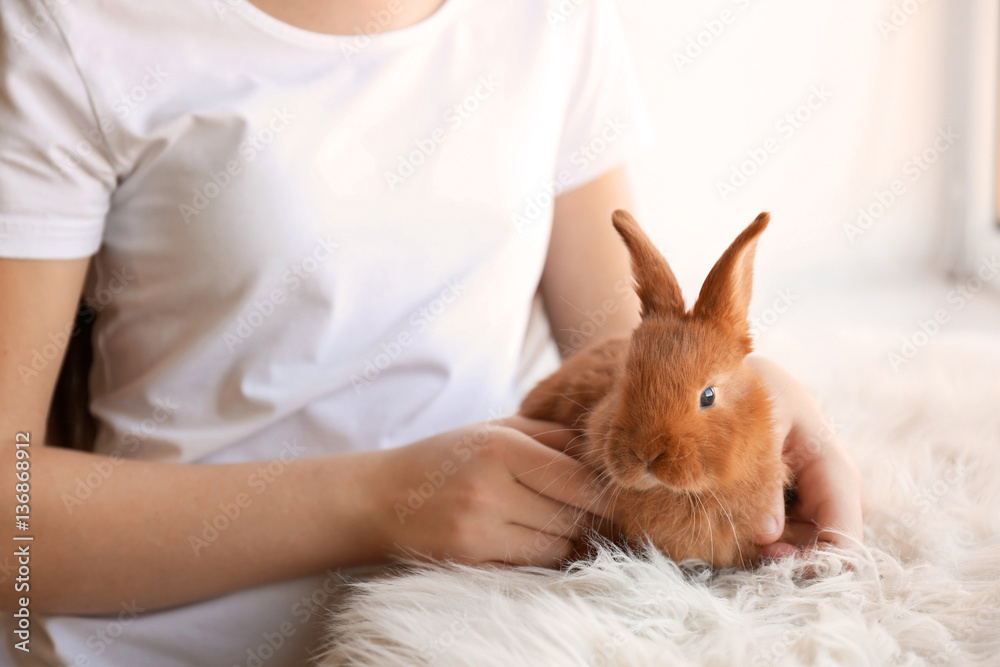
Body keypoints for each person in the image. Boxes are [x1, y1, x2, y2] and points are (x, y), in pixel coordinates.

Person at [0, 0, 868, 664]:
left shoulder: (547, 20)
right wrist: (385, 502)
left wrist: (758, 401)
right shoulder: (76, 31)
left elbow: (627, 357)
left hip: (468, 632)